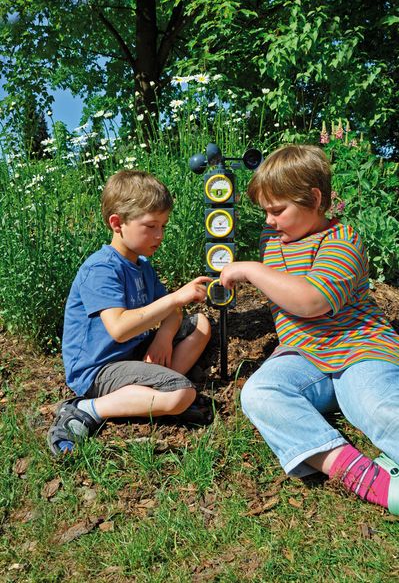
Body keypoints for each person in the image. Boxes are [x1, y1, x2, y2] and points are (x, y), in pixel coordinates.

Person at [220, 144, 399, 515]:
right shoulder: (273, 247)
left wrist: (251, 270)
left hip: (359, 350)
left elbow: (313, 301)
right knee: (259, 393)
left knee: (378, 407)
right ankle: (361, 475)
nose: (269, 220)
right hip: (304, 359)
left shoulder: (342, 240)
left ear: (314, 199)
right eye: (265, 211)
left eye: (278, 210)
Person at [48, 169, 212, 455]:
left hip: (132, 355)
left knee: (201, 325)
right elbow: (120, 328)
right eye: (151, 226)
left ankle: (149, 394)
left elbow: (173, 311)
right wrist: (176, 297)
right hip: (97, 370)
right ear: (117, 223)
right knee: (182, 394)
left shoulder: (141, 265)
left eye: (163, 226)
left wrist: (164, 336)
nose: (159, 235)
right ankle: (85, 409)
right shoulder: (101, 269)